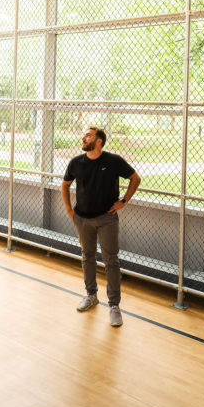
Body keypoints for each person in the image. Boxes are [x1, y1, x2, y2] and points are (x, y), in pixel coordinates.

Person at [61, 126, 141, 327]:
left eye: (88, 135)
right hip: (82, 219)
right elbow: (65, 185)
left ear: (98, 141)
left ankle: (114, 306)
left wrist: (124, 201)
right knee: (87, 256)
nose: (83, 138)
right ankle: (91, 295)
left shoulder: (113, 161)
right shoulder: (76, 162)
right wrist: (71, 212)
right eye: (84, 135)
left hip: (107, 219)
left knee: (111, 260)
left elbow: (135, 178)